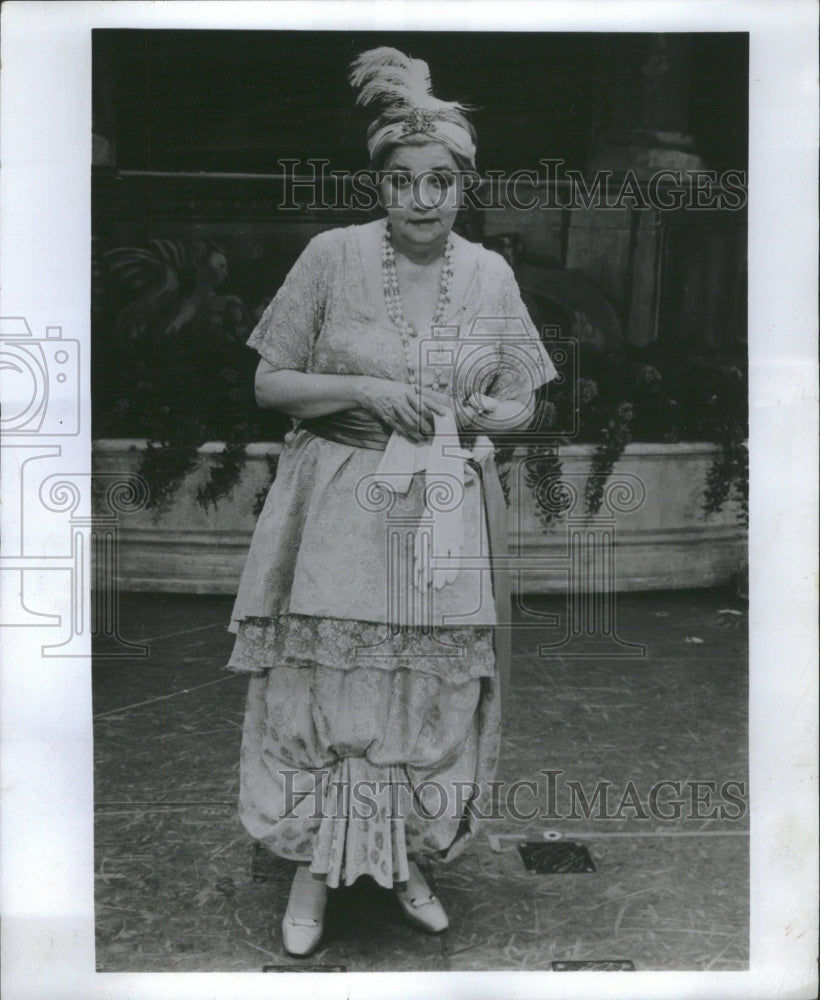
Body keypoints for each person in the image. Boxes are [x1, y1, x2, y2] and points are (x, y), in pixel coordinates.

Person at [226, 46, 557, 956]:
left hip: (439, 508)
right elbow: (270, 384)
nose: (423, 199)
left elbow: (524, 396)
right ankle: (312, 870)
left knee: (422, 687)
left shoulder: (489, 275)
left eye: (440, 181)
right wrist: (367, 394)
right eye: (404, 181)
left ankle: (404, 858)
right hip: (335, 499)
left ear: (462, 185)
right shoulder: (330, 257)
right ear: (381, 184)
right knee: (332, 685)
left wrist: (495, 410)